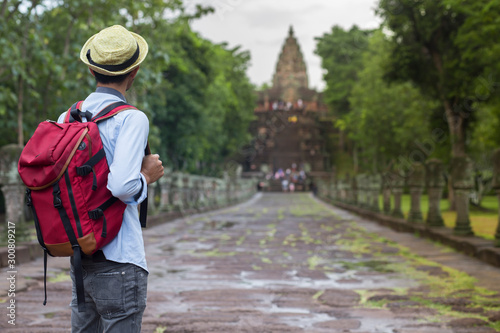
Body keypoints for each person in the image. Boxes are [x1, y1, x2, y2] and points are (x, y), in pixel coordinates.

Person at [57, 25, 164, 333]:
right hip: (119, 258)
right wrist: (146, 175)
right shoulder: (131, 118)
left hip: (80, 256)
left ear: (91, 68)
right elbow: (121, 186)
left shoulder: (68, 117)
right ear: (136, 71)